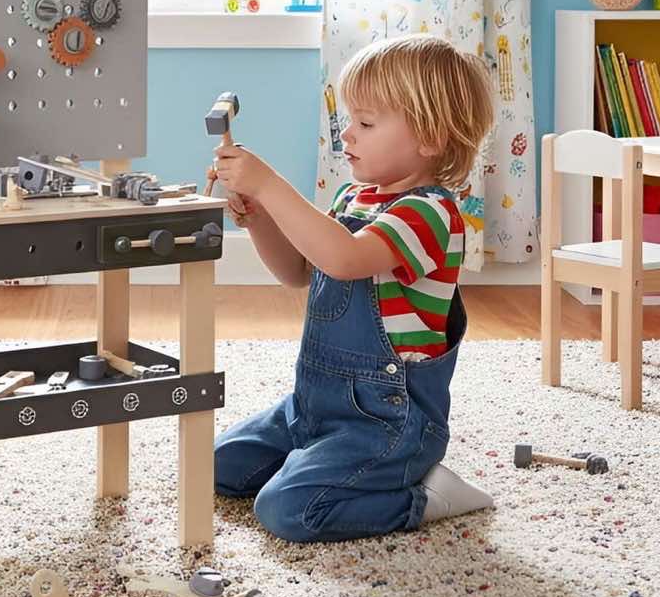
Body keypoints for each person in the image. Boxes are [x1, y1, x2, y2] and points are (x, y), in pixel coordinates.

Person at [209, 34, 496, 542]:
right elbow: (297, 270)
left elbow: (345, 260)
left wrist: (269, 184)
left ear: (430, 138)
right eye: (349, 120)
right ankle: (324, 463)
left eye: (366, 123)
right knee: (217, 466)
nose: (347, 134)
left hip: (388, 420)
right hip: (314, 404)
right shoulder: (352, 198)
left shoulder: (429, 213)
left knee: (288, 510)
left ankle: (425, 496)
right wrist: (259, 216)